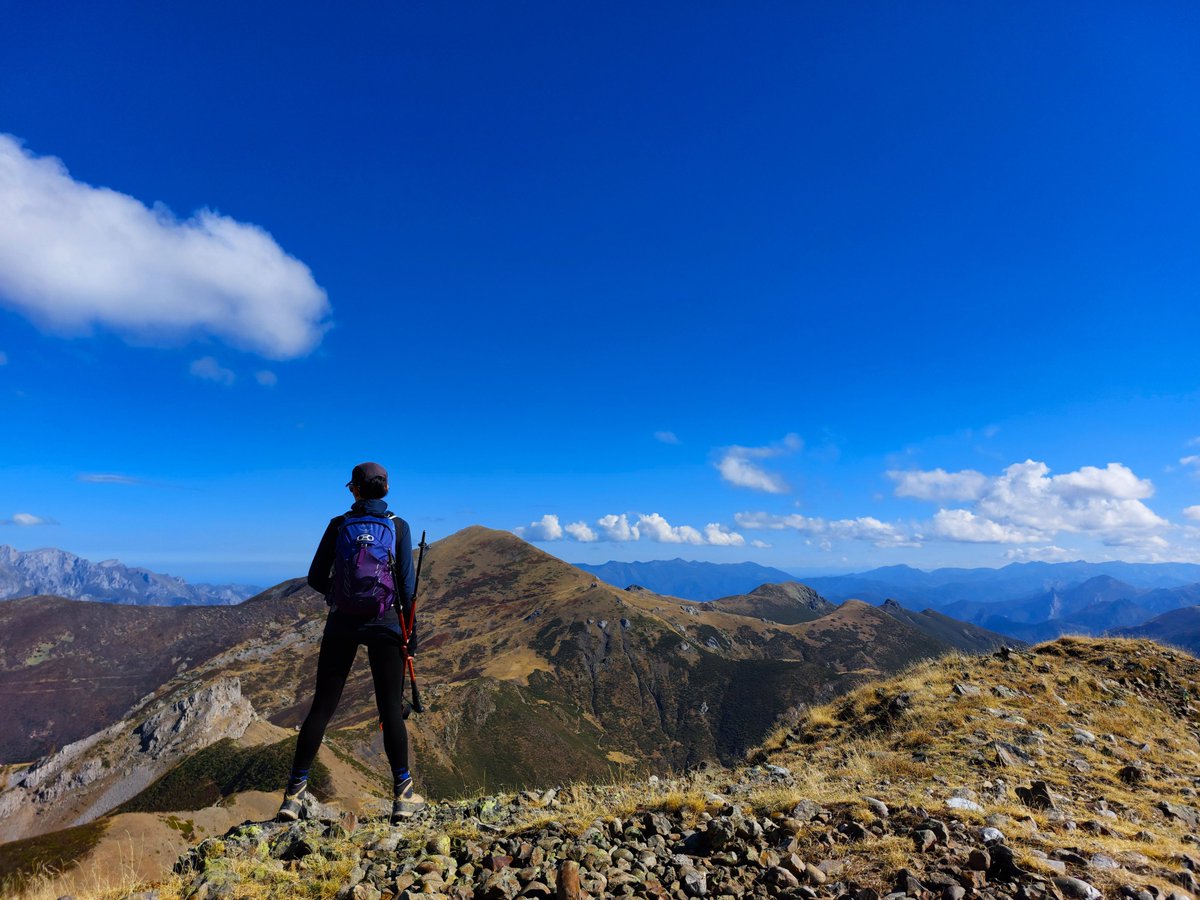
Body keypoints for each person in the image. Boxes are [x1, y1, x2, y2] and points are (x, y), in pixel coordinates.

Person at [277, 461, 426, 824]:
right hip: (386, 624)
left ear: (355, 490)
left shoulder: (338, 525)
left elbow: (315, 577)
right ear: (386, 489)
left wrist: (339, 595)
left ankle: (293, 797)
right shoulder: (398, 527)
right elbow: (407, 588)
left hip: (341, 623)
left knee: (322, 708)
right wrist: (410, 632)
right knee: (390, 709)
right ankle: (403, 795)